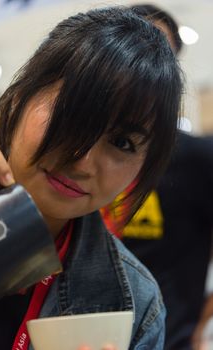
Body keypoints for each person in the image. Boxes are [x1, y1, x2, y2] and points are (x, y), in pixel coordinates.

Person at [0, 5, 183, 350]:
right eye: (72, 113)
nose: (82, 160)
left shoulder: (134, 303)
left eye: (122, 142)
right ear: (19, 97)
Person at [105, 4, 213, 350]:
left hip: (170, 336)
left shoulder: (197, 157)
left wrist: (200, 326)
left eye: (156, 50)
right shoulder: (84, 150)